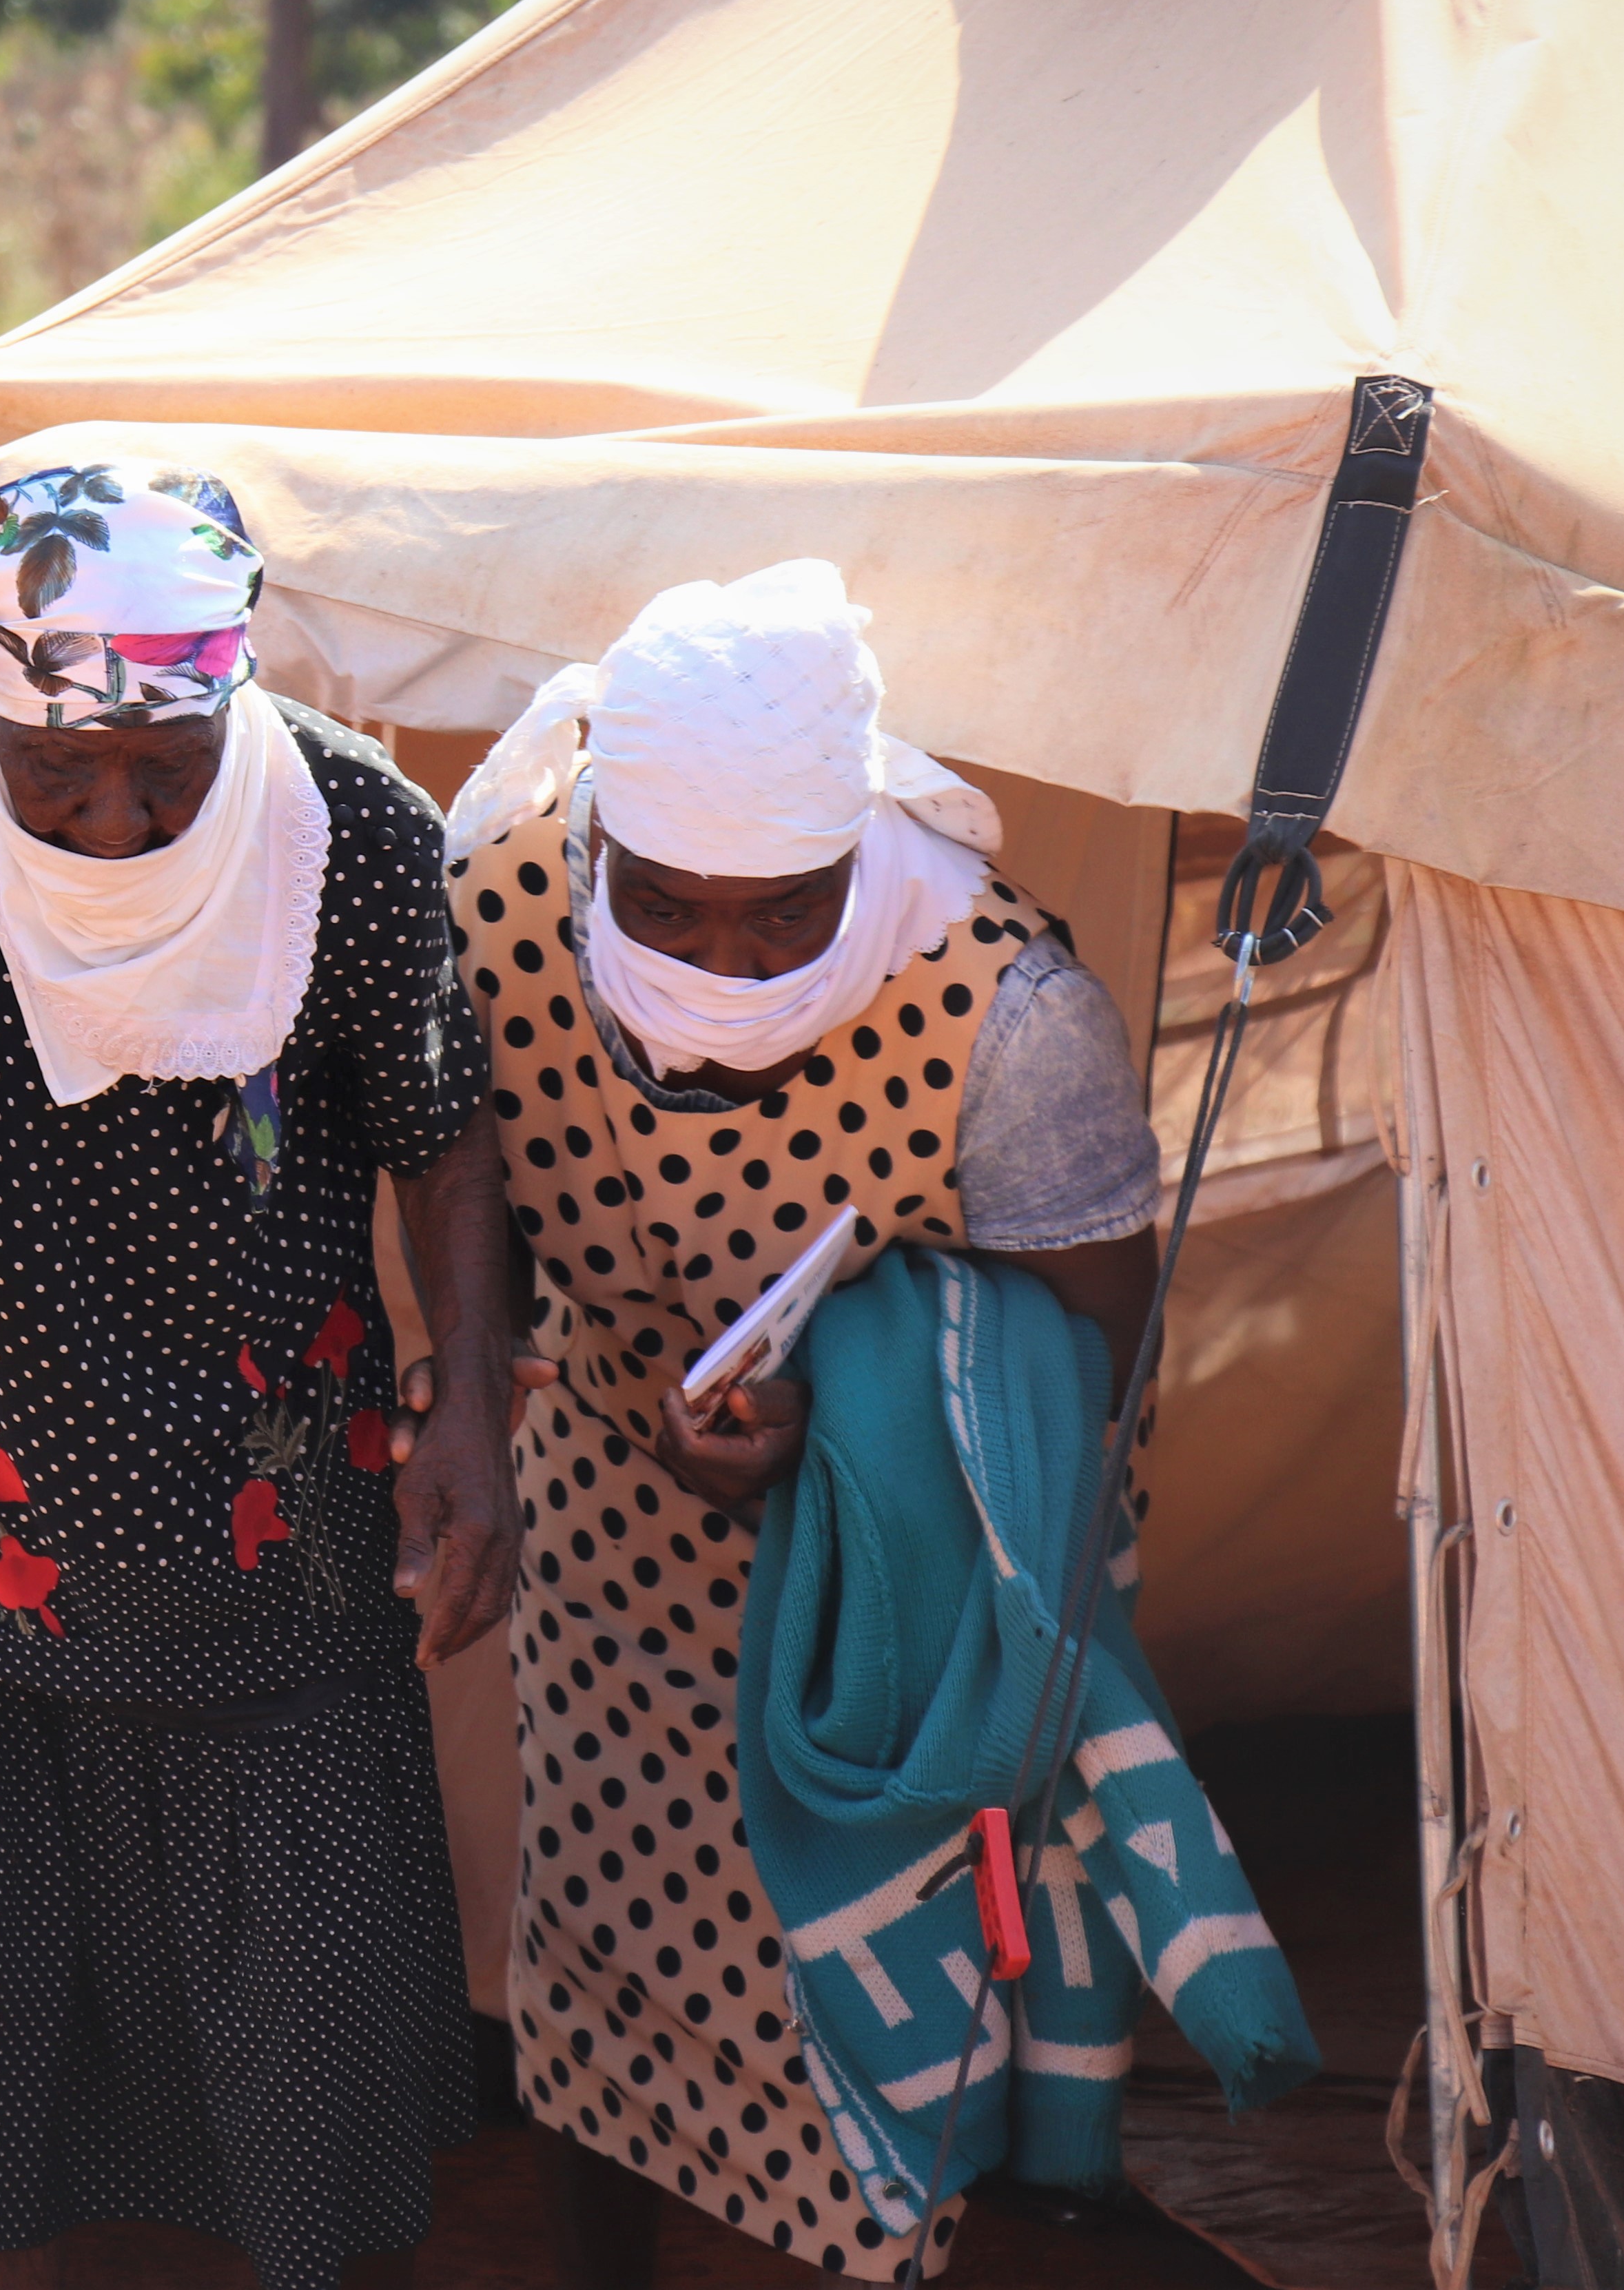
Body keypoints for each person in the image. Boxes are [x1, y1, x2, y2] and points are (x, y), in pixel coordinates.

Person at [0, 457, 520, 2290]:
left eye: (168, 766)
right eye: (57, 770)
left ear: (237, 695)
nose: (114, 815)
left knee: (319, 2156)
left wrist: (470, 1408)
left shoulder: (355, 836)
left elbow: (444, 1134)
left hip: (284, 1572)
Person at [434, 559, 1160, 2287]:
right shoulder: (502, 909)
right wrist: (474, 1374)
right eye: (667, 908)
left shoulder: (1004, 1013)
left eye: (785, 910)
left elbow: (1092, 1354)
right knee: (596, 1995)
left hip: (898, 1604)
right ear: (596, 838)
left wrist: (843, 1419)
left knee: (845, 2047)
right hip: (611, 1552)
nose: (724, 960)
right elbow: (464, 1164)